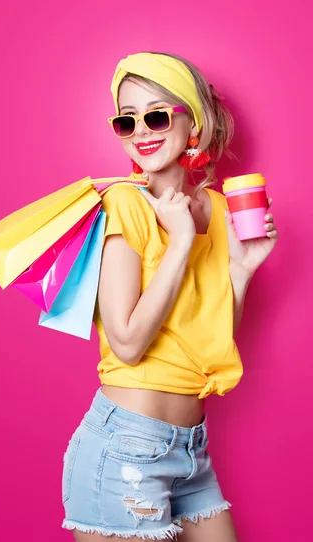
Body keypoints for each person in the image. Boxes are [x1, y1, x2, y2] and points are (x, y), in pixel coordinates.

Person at [61, 52, 278, 541]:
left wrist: (241, 272)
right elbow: (128, 344)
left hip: (191, 451)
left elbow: (208, 340)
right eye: (126, 120)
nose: (143, 130)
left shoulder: (217, 208)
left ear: (192, 122)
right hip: (124, 449)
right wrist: (179, 242)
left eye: (156, 115)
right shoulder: (124, 203)